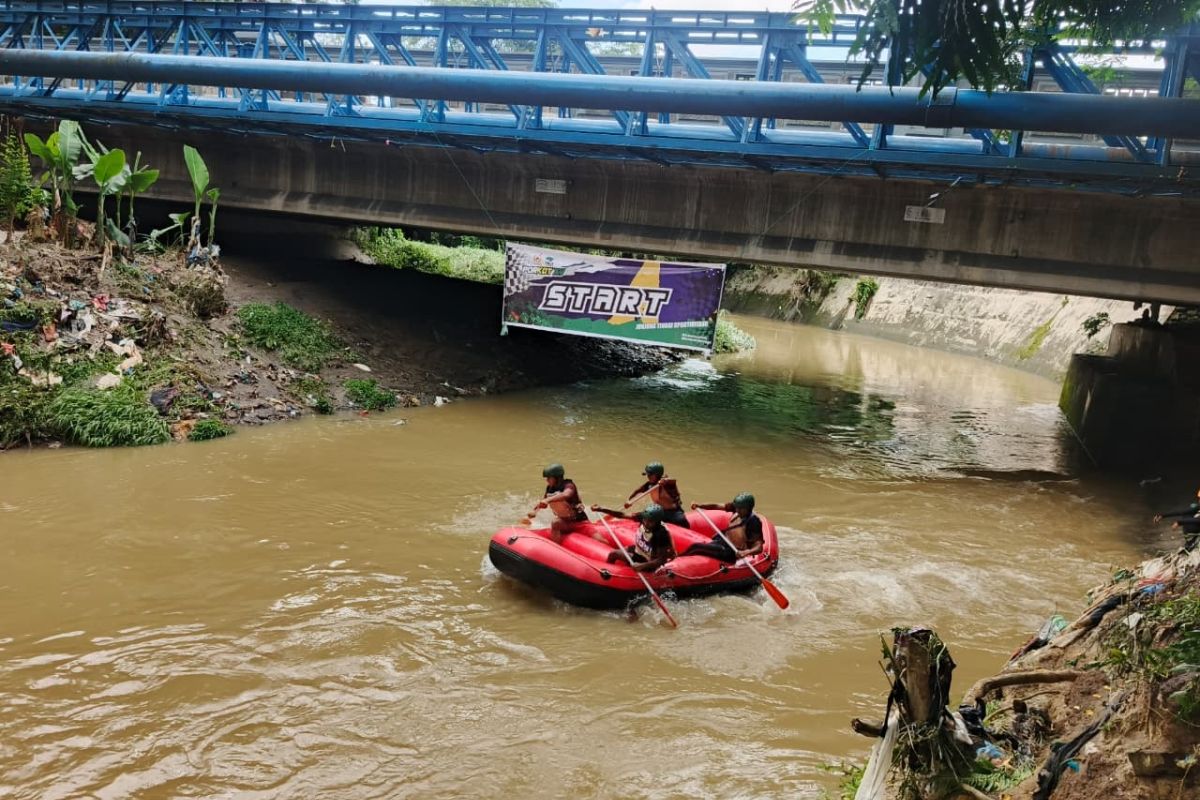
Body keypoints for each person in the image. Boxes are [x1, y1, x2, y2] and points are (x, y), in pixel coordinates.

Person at [592, 503, 676, 573]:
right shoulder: (643, 517)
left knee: (614, 554)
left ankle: (608, 575)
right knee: (615, 552)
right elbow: (622, 515)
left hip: (647, 560)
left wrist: (642, 565)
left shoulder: (661, 534)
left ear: (657, 522)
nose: (646, 523)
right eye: (645, 520)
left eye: (650, 522)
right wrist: (601, 509)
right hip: (638, 549)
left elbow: (661, 560)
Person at [683, 492, 764, 563]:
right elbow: (717, 506)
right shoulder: (737, 507)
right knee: (702, 548)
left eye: (741, 509)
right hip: (724, 541)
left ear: (748, 508)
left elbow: (759, 547)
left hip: (732, 552)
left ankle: (679, 560)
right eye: (737, 507)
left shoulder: (753, 522)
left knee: (696, 547)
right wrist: (700, 505)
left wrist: (746, 552)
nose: (738, 510)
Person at [624, 461, 689, 528]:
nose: (648, 477)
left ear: (657, 475)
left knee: (681, 520)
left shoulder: (667, 484)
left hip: (674, 513)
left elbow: (673, 480)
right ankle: (622, 516)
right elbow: (637, 491)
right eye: (647, 475)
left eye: (650, 475)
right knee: (642, 516)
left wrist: (665, 481)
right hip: (659, 512)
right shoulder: (649, 485)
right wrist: (629, 500)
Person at [536, 463, 587, 543]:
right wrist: (534, 512)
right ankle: (557, 546)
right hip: (565, 521)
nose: (547, 480)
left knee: (555, 523)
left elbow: (566, 494)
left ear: (557, 478)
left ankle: (556, 547)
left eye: (549, 478)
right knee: (556, 523)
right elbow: (543, 502)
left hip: (579, 521)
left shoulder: (569, 485)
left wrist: (548, 500)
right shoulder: (550, 488)